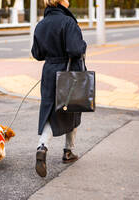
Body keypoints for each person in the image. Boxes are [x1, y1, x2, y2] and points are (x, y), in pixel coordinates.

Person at [31, 0, 87, 177]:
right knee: (72, 108)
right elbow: (75, 50)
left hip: (49, 72)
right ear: (62, 1)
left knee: (50, 111)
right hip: (68, 73)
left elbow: (37, 54)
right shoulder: (68, 22)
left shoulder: (41, 24)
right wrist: (83, 44)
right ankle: (68, 151)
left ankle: (42, 146)